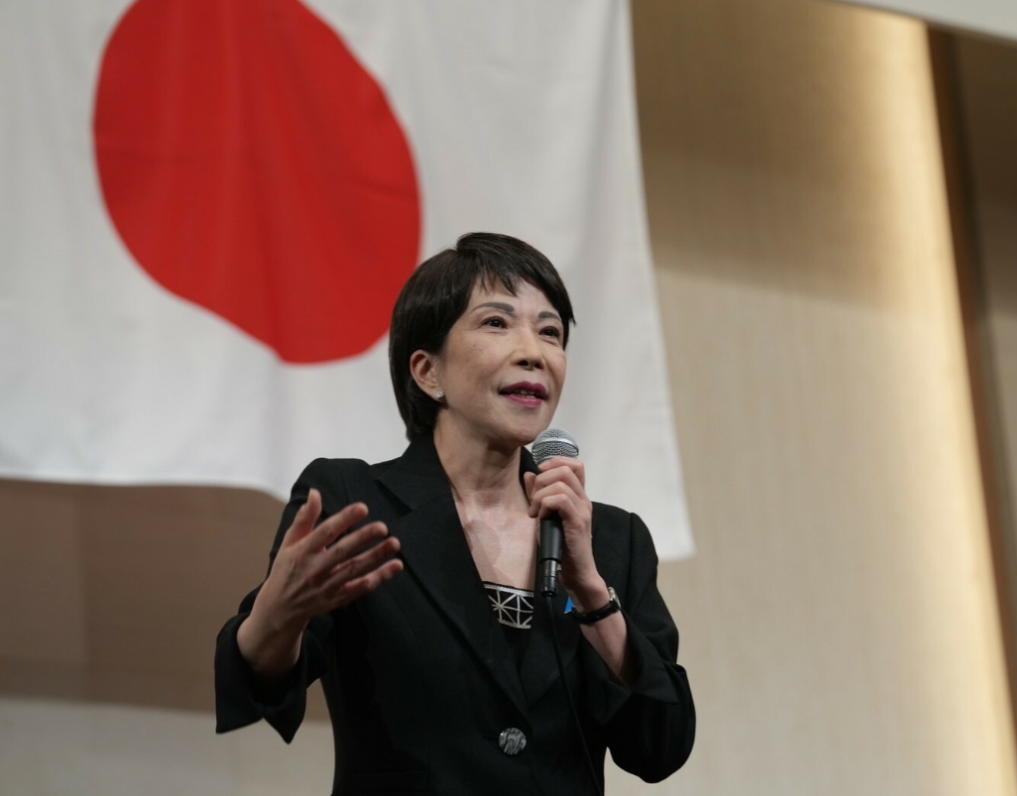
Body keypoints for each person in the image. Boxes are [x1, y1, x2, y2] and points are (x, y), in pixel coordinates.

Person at [215, 233, 696, 795]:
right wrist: (278, 614)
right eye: (497, 323)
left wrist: (592, 595)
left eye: (550, 332)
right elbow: (262, 683)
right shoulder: (355, 501)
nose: (534, 352)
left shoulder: (611, 539)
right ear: (428, 372)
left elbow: (661, 745)